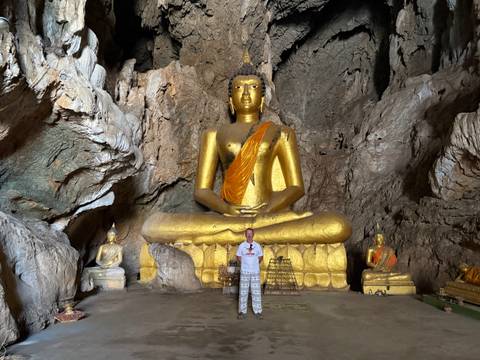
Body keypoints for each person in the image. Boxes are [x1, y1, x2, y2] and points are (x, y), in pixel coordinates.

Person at [236, 228, 263, 319]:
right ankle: (242, 311)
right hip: (245, 271)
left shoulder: (257, 245)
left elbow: (260, 257)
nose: (249, 235)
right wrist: (245, 263)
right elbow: (238, 256)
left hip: (255, 272)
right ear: (245, 235)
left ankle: (258, 311)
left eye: (250, 233)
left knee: (256, 292)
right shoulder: (242, 246)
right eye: (247, 233)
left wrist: (253, 263)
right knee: (243, 292)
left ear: (253, 234)